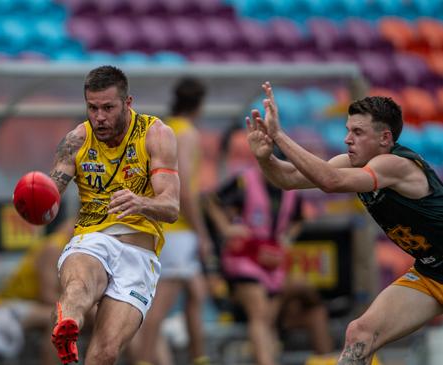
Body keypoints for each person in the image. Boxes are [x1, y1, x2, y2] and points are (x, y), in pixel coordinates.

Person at [247, 81, 443, 364]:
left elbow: (329, 181)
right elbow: (287, 179)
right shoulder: (353, 163)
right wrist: (265, 158)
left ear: (385, 139)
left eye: (358, 132)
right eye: (348, 131)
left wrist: (279, 136)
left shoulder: (395, 164)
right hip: (431, 273)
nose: (347, 139)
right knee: (360, 333)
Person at [47, 65, 180, 364]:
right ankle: (68, 325)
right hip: (92, 239)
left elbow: (172, 207)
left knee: (105, 353)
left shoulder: (155, 134)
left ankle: (71, 326)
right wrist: (37, 205)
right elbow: (49, 202)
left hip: (138, 253)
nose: (99, 117)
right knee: (79, 286)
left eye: (108, 107)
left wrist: (140, 203)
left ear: (128, 103)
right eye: (92, 108)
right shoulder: (76, 141)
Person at [204, 151, 334, 365]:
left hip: (273, 262)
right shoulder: (244, 181)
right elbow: (211, 200)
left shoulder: (292, 189)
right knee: (260, 311)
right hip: (244, 259)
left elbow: (299, 218)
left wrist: (287, 237)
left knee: (275, 315)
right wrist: (226, 228)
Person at [131, 77, 213, 365]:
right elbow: (186, 190)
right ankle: (143, 359)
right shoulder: (188, 133)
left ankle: (199, 357)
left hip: (162, 225)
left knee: (196, 293)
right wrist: (203, 233)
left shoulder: (163, 128)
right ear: (199, 104)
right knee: (160, 305)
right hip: (178, 230)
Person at [0, 219, 74, 364]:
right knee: (63, 317)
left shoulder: (72, 245)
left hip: (34, 304)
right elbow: (47, 296)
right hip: (9, 306)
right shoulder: (54, 247)